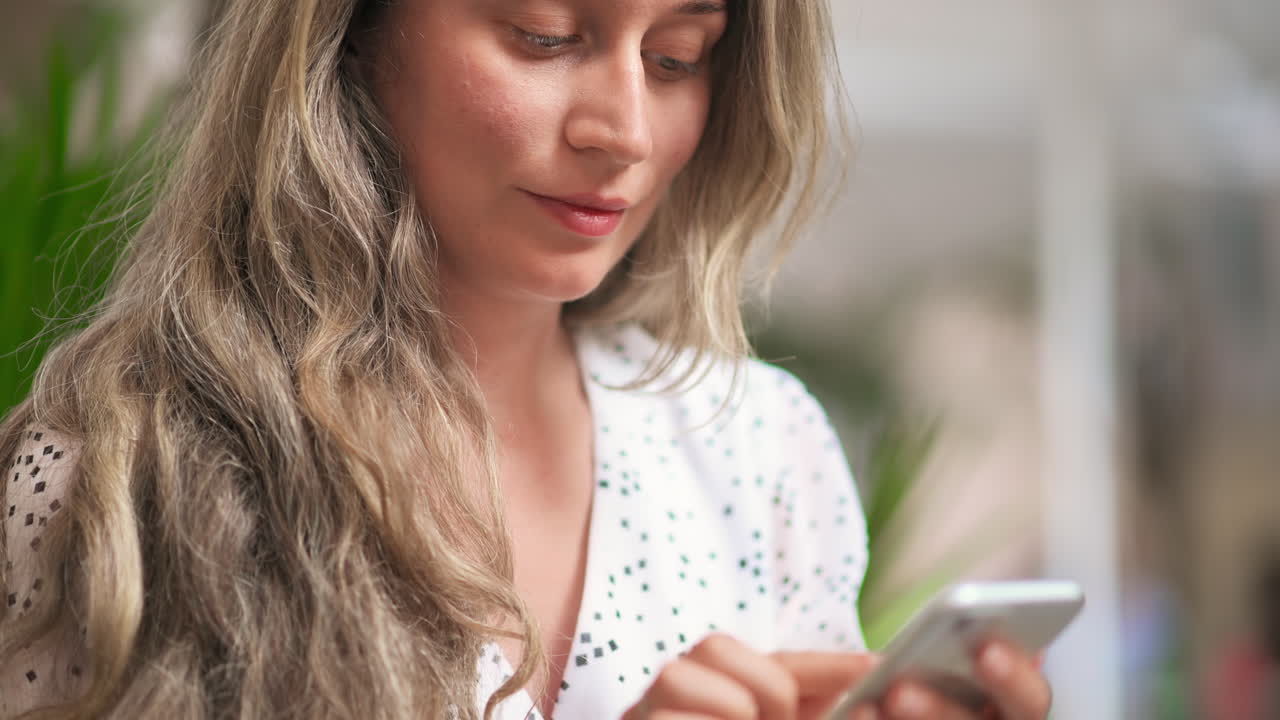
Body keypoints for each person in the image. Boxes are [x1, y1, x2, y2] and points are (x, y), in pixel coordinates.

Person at [0, 0, 1054, 718]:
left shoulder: (759, 452)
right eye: (545, 36)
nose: (625, 131)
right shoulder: (109, 478)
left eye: (677, 56)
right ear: (354, 36)